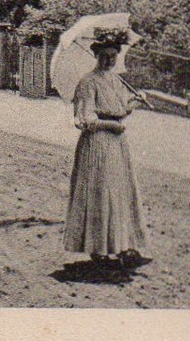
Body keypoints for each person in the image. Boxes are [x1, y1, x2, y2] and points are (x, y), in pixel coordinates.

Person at [63, 28, 149, 268]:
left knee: (120, 191)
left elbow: (120, 110)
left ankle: (121, 245)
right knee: (101, 192)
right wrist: (111, 126)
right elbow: (85, 120)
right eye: (104, 56)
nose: (109, 60)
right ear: (96, 56)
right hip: (98, 143)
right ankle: (98, 248)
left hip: (117, 145)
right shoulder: (88, 82)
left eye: (113, 56)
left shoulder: (116, 80)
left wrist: (135, 101)